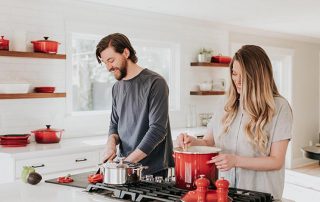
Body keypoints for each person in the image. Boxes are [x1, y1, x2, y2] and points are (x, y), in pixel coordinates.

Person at [176, 45, 292, 200]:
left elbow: (276, 161)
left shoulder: (279, 107)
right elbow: (209, 142)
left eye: (244, 75)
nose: (237, 80)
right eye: (234, 73)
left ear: (259, 76)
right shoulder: (225, 103)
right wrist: (192, 142)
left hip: (259, 195)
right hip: (225, 193)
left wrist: (236, 161)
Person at [95, 33, 174, 177]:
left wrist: (126, 164)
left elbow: (157, 130)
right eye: (105, 63)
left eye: (111, 60)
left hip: (152, 171)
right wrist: (110, 145)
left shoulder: (155, 83)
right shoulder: (117, 88)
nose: (108, 67)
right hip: (125, 166)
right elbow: (114, 125)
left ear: (126, 52)